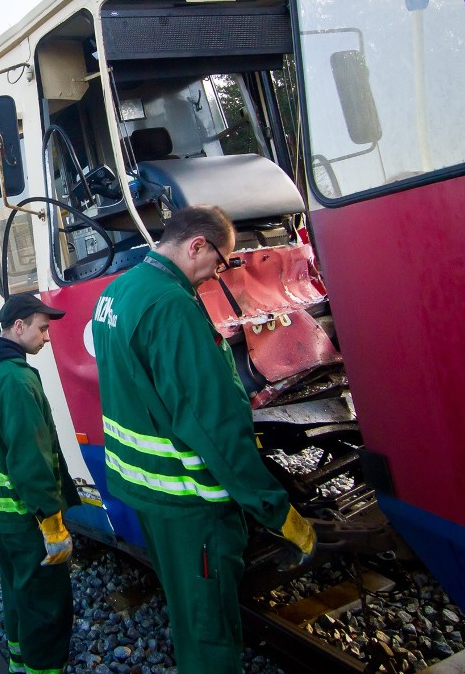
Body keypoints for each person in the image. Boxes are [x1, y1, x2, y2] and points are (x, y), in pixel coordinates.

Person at [92, 204, 316, 674]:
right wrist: (273, 509)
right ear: (196, 245)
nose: (215, 275)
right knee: (210, 633)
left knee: (188, 611)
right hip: (193, 504)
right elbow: (210, 422)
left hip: (151, 495)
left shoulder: (119, 291)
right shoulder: (170, 304)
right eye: (218, 263)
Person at [0, 293, 80, 674]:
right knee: (45, 602)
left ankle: (18, 662)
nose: (46, 337)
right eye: (42, 329)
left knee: (16, 591)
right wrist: (52, 522)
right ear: (18, 326)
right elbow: (31, 461)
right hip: (22, 515)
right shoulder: (14, 380)